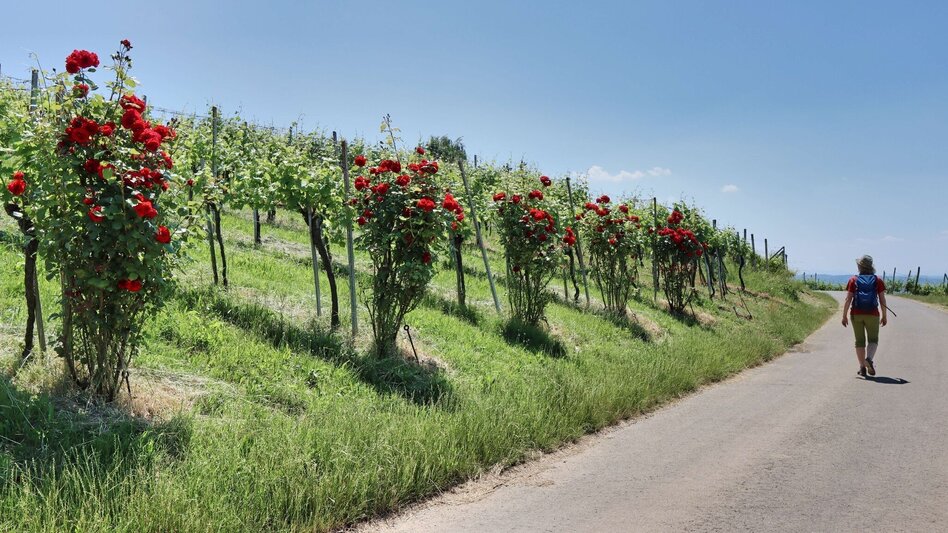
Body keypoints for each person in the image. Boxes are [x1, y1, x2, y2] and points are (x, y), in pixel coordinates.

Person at [841, 255, 887, 377]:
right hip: (872, 314)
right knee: (873, 340)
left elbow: (848, 299)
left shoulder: (853, 280)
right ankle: (869, 359)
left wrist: (844, 315)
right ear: (871, 266)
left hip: (856, 313)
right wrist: (884, 316)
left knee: (859, 341)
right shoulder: (878, 280)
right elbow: (882, 300)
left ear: (859, 266)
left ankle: (862, 367)